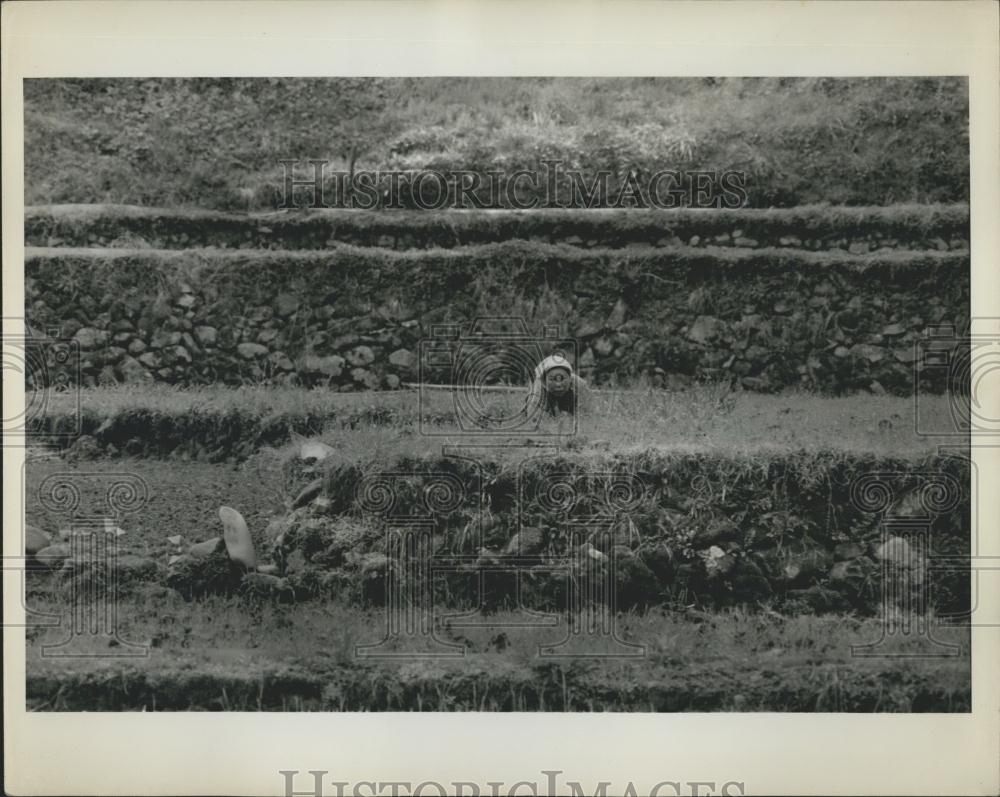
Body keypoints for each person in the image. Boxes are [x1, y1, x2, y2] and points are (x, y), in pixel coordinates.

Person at [524, 353, 589, 420]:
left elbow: (590, 414)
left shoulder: (580, 385)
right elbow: (533, 419)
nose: (558, 384)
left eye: (562, 379)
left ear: (570, 378)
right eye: (552, 379)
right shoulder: (538, 389)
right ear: (544, 381)